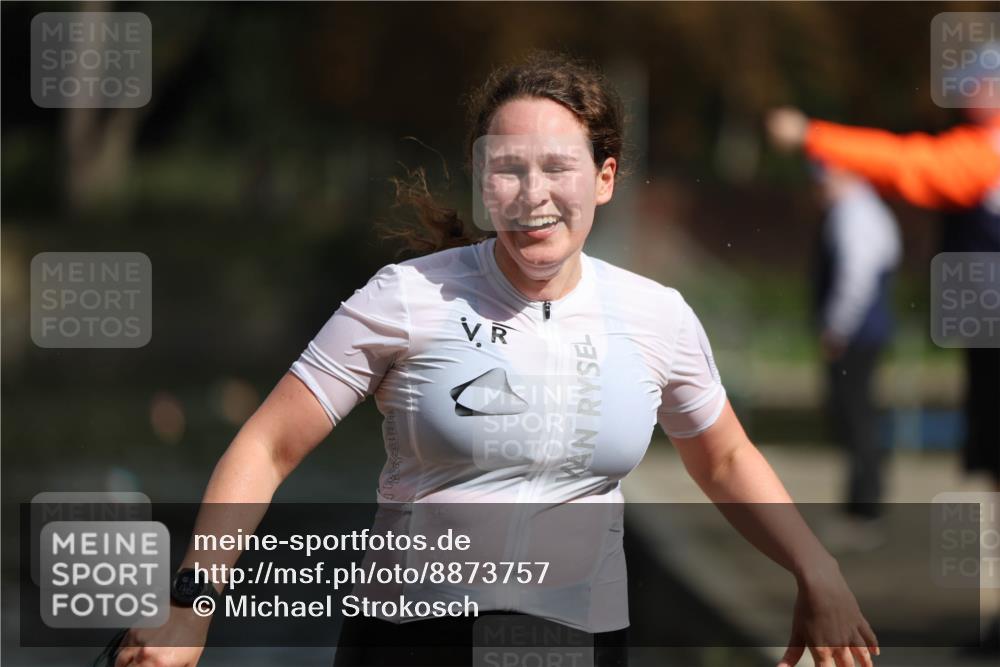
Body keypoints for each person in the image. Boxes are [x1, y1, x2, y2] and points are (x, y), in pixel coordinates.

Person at [117, 51, 879, 667]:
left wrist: (816, 567)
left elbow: (724, 458)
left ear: (604, 178)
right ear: (484, 182)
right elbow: (266, 445)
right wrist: (191, 604)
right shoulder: (406, 297)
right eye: (508, 169)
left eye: (558, 167)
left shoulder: (657, 316)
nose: (532, 194)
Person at [811, 164, 901, 550]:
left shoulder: (855, 213)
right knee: (857, 417)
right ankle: (862, 506)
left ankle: (863, 510)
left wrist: (837, 327)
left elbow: (856, 276)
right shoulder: (862, 210)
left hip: (856, 335)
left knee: (856, 418)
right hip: (863, 332)